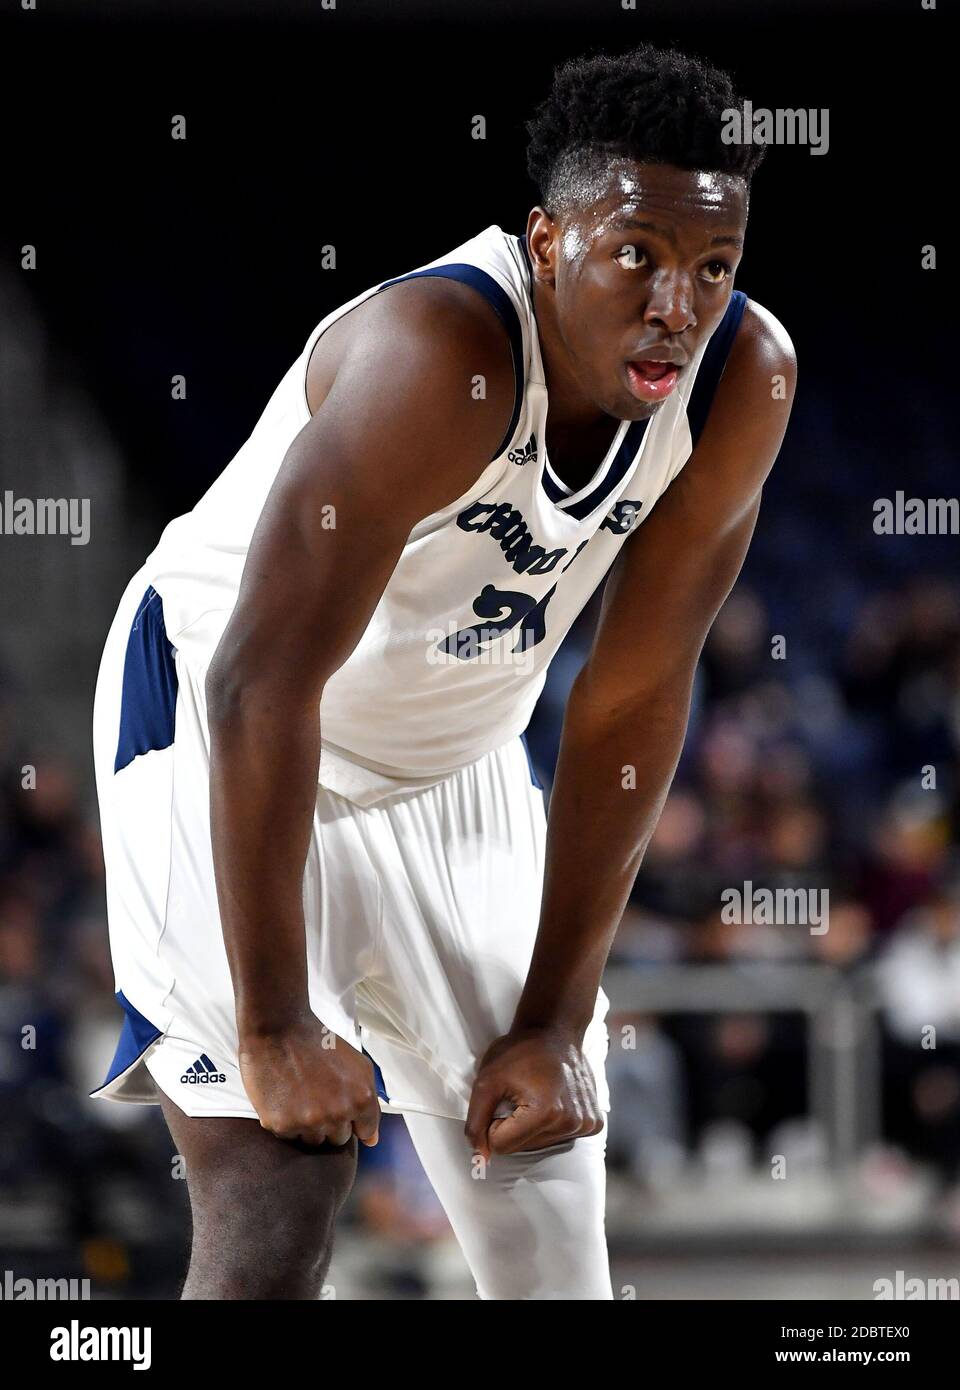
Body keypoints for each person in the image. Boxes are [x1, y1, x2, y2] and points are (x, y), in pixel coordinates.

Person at [90, 42, 796, 1299]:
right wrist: (271, 1027)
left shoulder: (745, 381)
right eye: (636, 253)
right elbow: (260, 680)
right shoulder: (438, 352)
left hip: (457, 759)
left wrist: (550, 1019)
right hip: (224, 716)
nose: (677, 305)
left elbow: (630, 703)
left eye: (713, 267)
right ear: (544, 240)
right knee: (279, 1184)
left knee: (549, 1240)